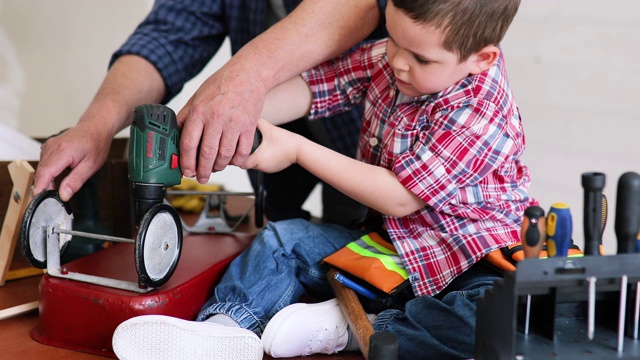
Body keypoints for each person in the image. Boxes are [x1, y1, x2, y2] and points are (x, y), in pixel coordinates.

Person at [112, 0, 531, 359]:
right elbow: (315, 87)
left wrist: (295, 149)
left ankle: (357, 326)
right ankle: (226, 330)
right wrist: (226, 122)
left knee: (494, 318)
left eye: (421, 58)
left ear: (482, 59)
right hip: (388, 249)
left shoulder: (482, 109)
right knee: (284, 239)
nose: (398, 62)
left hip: (466, 262)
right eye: (393, 40)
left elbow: (400, 198)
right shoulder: (396, 59)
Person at [32, 0, 388, 226]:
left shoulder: (379, 64)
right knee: (283, 242)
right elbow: (167, 36)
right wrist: (96, 125)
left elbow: (360, 4)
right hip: (275, 140)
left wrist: (244, 79)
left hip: (367, 145)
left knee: (358, 238)